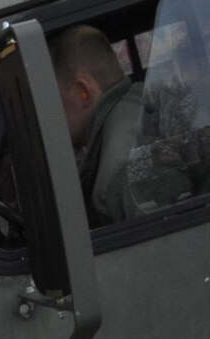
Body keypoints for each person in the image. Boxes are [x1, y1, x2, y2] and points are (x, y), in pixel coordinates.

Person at [51, 25, 150, 225]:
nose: (51, 115)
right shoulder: (140, 99)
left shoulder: (119, 173)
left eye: (53, 100)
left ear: (83, 92)